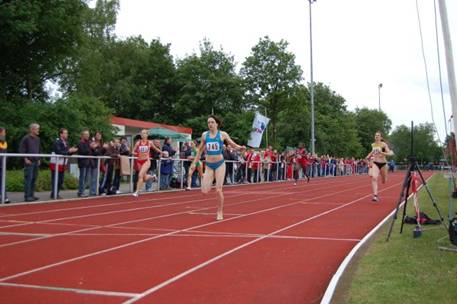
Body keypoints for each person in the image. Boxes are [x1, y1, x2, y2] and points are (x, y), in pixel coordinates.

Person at [190, 115, 245, 220]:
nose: (210, 124)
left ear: (216, 124)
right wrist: (194, 163)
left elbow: (232, 144)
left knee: (218, 190)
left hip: (220, 164)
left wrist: (240, 147)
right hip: (209, 165)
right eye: (208, 122)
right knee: (204, 191)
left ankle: (219, 211)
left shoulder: (222, 134)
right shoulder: (205, 135)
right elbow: (200, 150)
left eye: (212, 122)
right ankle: (207, 178)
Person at [132, 129, 162, 197]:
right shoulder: (138, 143)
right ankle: (153, 177)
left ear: (147, 135)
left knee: (140, 175)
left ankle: (136, 192)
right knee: (144, 178)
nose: (143, 134)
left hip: (146, 161)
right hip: (139, 161)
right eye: (142, 133)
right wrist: (137, 154)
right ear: (141, 135)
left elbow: (156, 149)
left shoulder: (150, 142)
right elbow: (132, 152)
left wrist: (162, 152)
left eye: (145, 133)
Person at [50, 128, 78, 199]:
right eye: (65, 133)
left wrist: (72, 151)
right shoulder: (57, 141)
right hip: (56, 164)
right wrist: (69, 151)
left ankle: (55, 193)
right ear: (61, 134)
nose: (67, 134)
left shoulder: (66, 142)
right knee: (56, 179)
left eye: (67, 133)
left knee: (61, 180)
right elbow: (59, 152)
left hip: (62, 164)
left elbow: (67, 153)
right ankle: (54, 194)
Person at [366, 131, 393, 202]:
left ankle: (384, 177)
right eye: (375, 135)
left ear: (381, 137)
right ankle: (375, 196)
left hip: (383, 164)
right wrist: (368, 156)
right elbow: (372, 152)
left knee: (384, 181)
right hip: (375, 163)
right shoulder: (373, 145)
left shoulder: (383, 144)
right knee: (374, 178)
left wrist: (382, 153)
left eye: (378, 135)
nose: (377, 136)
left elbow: (390, 153)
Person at [19, 123, 41, 202]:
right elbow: (21, 150)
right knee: (28, 178)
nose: (38, 130)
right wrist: (25, 159)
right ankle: (27, 196)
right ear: (32, 129)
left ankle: (32, 195)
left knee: (34, 178)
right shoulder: (26, 138)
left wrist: (39, 159)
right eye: (37, 129)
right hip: (29, 162)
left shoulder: (38, 139)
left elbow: (38, 150)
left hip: (35, 161)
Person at [0, 127, 10, 203]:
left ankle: (4, 196)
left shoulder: (4, 142)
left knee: (3, 180)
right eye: (3, 132)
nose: (5, 134)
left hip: (2, 165)